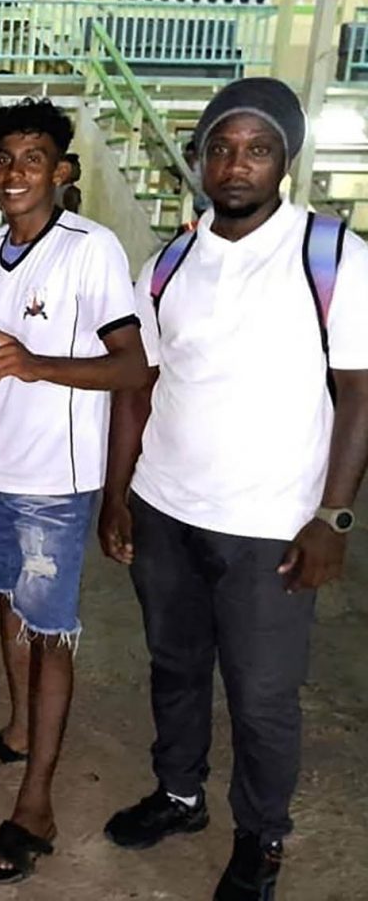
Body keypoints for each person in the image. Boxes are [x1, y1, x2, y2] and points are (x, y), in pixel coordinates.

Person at [99, 77, 368, 901]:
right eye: (221, 146)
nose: (236, 163)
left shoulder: (332, 255)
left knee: (261, 696)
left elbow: (360, 391)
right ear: (201, 159)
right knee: (175, 667)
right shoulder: (170, 261)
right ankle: (179, 795)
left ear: (284, 159)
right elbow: (142, 384)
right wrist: (119, 495)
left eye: (256, 148)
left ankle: (262, 837)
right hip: (167, 505)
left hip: (273, 521)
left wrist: (334, 517)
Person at [0, 98, 148, 884]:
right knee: (6, 605)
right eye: (3, 158)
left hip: (58, 483)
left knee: (50, 629)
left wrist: (38, 364)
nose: (12, 171)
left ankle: (37, 802)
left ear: (60, 172)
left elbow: (133, 367)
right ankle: (18, 730)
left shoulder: (91, 250)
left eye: (31, 158)